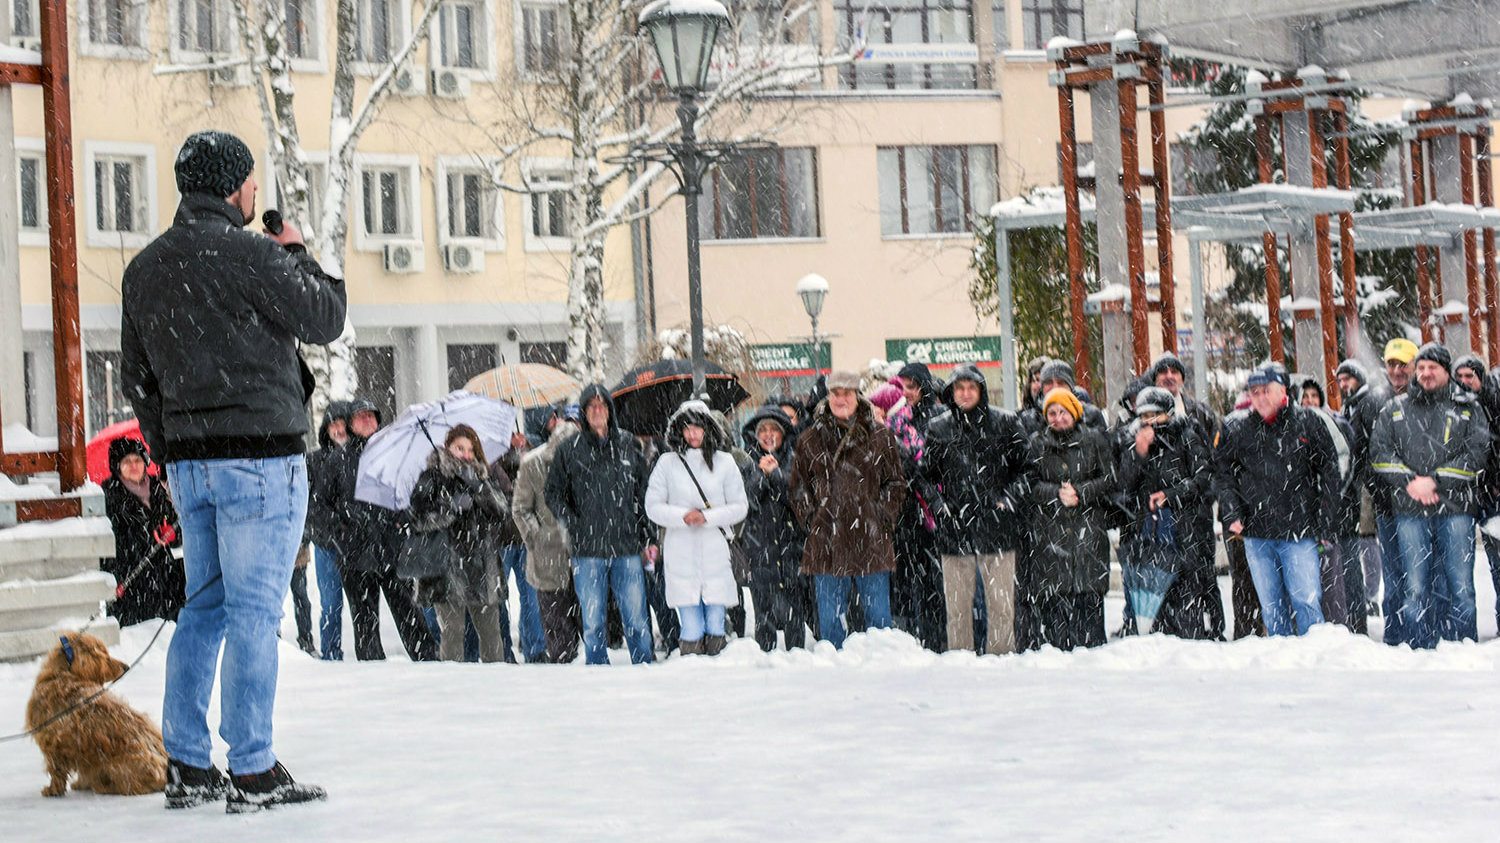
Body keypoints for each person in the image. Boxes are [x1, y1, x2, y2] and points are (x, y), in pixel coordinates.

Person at [121, 131, 340, 810]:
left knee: (204, 606)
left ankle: (186, 759)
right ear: (232, 185)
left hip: (191, 463)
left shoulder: (146, 268)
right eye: (250, 181)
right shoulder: (249, 255)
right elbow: (326, 316)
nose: (255, 193)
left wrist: (171, 446)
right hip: (262, 457)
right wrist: (297, 250)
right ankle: (251, 764)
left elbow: (137, 378)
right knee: (252, 610)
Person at [1370, 343, 1488, 647]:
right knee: (1415, 585)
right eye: (1420, 367)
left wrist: (1434, 481)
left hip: (1457, 510)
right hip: (1410, 510)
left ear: (1445, 371)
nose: (1425, 373)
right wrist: (1410, 481)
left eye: (1431, 367)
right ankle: (1418, 647)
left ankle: (1462, 644)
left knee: (1460, 584)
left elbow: (1476, 454)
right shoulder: (1395, 409)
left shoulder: (1467, 408)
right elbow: (1380, 453)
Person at [1216, 365, 1339, 637]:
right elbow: (1223, 475)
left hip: (1299, 532)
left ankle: (1314, 657)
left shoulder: (1308, 422)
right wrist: (1231, 512)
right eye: (1254, 392)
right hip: (1257, 533)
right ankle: (1281, 664)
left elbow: (1330, 471)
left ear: (1283, 391)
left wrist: (1326, 520)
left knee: (1306, 603)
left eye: (1266, 391)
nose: (1260, 398)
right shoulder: (1239, 428)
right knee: (1271, 608)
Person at [790, 370, 906, 649]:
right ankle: (834, 681)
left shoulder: (881, 436)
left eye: (847, 393)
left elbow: (896, 483)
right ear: (828, 397)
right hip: (826, 542)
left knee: (879, 623)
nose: (841, 399)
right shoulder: (809, 439)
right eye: (835, 393)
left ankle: (880, 675)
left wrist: (882, 516)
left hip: (871, 540)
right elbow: (797, 488)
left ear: (858, 396)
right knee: (831, 626)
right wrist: (812, 518)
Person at [920, 364, 1030, 655]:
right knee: (957, 611)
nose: (966, 393)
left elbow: (1028, 469)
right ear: (951, 392)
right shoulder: (939, 427)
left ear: (981, 391)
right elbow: (923, 476)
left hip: (998, 526)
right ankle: (960, 663)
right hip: (955, 528)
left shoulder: (1005, 423)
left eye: (971, 387)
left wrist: (1009, 498)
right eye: (960, 388)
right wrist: (939, 507)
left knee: (1001, 607)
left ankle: (1002, 660)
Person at [545, 385, 656, 665]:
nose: (597, 410)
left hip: (626, 545)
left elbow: (643, 494)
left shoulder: (628, 445)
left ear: (610, 411)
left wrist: (648, 535)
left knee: (636, 617)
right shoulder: (569, 450)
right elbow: (553, 492)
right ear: (583, 413)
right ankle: (596, 669)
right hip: (587, 548)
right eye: (591, 406)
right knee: (593, 620)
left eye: (602, 405)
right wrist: (571, 521)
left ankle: (645, 668)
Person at [337, 399, 440, 662]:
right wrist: (341, 531)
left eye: (371, 416)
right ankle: (373, 674)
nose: (367, 421)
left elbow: (411, 491)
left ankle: (427, 662)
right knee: (364, 621)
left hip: (391, 548)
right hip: (355, 554)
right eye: (361, 417)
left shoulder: (394, 454)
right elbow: (321, 507)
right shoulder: (338, 460)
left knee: (409, 613)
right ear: (350, 424)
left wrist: (402, 517)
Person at [646, 401, 749, 656]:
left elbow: (739, 506)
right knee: (690, 626)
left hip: (714, 553)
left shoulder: (724, 462)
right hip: (681, 555)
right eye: (687, 428)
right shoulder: (667, 463)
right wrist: (683, 516)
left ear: (708, 429)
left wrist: (707, 517)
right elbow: (652, 506)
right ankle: (693, 679)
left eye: (697, 427)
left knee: (716, 623)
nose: (692, 434)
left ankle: (717, 676)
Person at [405, 426, 509, 663]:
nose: (465, 454)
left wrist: (479, 487)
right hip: (447, 569)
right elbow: (416, 519)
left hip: (482, 567)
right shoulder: (432, 476)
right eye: (459, 448)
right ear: (448, 446)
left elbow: (502, 511)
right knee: (452, 634)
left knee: (492, 635)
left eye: (470, 449)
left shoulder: (482, 475)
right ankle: (452, 689)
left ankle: (498, 687)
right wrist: (450, 509)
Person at [1117, 387, 1214, 635]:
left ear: (1168, 413)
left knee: (1185, 596)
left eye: (1155, 415)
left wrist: (1171, 496)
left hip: (1184, 531)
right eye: (1144, 416)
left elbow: (1203, 479)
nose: (1150, 422)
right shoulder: (1134, 441)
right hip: (1149, 535)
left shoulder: (1187, 434)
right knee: (1154, 594)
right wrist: (1138, 452)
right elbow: (1124, 485)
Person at [1145, 352, 1226, 641]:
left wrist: (1206, 496)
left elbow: (1212, 461)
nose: (1169, 376)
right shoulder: (1146, 415)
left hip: (1196, 510)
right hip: (1165, 517)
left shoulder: (1198, 412)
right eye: (1163, 372)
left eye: (1174, 372)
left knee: (1203, 572)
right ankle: (1179, 628)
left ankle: (1214, 628)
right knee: (1173, 576)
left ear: (1182, 378)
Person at [1026, 388, 1116, 650]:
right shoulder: (1037, 444)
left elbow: (1109, 479)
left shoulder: (1095, 440)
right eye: (1052, 413)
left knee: (1089, 608)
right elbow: (1030, 484)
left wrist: (1082, 492)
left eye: (1063, 412)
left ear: (1074, 413)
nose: (1058, 418)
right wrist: (1055, 493)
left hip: (1087, 534)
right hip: (1051, 537)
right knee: (1056, 616)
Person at [512, 406, 582, 663]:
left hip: (584, 557)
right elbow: (520, 509)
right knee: (558, 635)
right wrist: (537, 538)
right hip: (548, 558)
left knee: (591, 629)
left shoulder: (586, 460)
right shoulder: (533, 464)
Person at [886, 361, 947, 652]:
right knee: (910, 578)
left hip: (940, 508)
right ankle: (913, 639)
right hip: (908, 512)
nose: (907, 393)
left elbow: (943, 462)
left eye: (912, 387)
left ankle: (939, 639)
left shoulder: (942, 418)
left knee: (939, 580)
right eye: (903, 387)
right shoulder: (896, 422)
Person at [1297, 376, 1366, 632]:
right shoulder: (1295, 427)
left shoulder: (1338, 424)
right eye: (1305, 397)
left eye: (1314, 396)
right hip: (1309, 516)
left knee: (1348, 574)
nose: (1310, 401)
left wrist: (1333, 496)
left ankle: (1356, 626)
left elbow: (1348, 466)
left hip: (1341, 512)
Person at [740, 405, 809, 651]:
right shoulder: (747, 462)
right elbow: (748, 502)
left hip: (791, 550)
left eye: (774, 430)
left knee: (793, 616)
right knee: (764, 617)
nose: (768, 435)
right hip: (761, 552)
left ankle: (796, 657)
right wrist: (761, 474)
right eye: (763, 430)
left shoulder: (795, 460)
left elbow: (797, 500)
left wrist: (777, 474)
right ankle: (766, 663)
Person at [1365, 338, 1421, 644]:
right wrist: (1379, 487)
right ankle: (1395, 636)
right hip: (1387, 504)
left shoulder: (1424, 399)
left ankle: (1421, 636)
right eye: (1391, 364)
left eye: (1403, 364)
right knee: (1394, 575)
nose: (1397, 370)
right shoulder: (1372, 402)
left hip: (1422, 504)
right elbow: (1364, 454)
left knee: (1421, 576)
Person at [100, 438, 185, 627]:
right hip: (130, 578)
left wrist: (172, 534)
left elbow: (178, 525)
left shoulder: (159, 489)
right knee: (138, 633)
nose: (134, 466)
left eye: (137, 460)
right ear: (117, 466)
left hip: (165, 577)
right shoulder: (108, 496)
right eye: (127, 462)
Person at [1335, 358, 1386, 622]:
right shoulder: (1350, 405)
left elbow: (1372, 442)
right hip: (1356, 481)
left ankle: (1371, 595)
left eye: (1348, 378)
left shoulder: (1368, 403)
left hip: (1367, 481)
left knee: (1367, 539)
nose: (1344, 384)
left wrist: (1368, 474)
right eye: (1340, 380)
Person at [1454, 355, 1500, 634]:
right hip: (1468, 495)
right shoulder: (1455, 407)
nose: (1464, 382)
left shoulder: (1493, 403)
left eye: (1470, 376)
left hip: (1493, 495)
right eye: (1459, 376)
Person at [304, 401, 353, 660]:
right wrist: (331, 527)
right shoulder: (314, 461)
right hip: (326, 544)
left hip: (356, 543)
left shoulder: (360, 456)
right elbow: (311, 505)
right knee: (331, 604)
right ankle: (331, 653)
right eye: (333, 424)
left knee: (362, 606)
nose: (338, 429)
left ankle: (371, 655)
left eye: (342, 423)